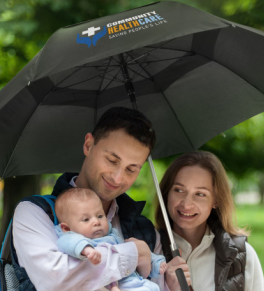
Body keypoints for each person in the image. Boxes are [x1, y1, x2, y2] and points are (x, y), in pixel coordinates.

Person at [12, 107, 188, 291]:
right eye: (112, 160)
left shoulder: (146, 231)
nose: (118, 178)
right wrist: (132, 254)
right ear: (88, 145)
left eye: (131, 169)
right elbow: (56, 279)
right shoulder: (36, 212)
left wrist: (171, 285)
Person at [155, 151, 264, 291]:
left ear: (216, 200)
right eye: (179, 190)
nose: (186, 204)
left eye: (200, 194)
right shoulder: (150, 249)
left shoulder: (241, 255)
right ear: (166, 194)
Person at [54, 187, 168, 291]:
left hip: (132, 282)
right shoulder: (72, 237)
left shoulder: (113, 235)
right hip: (107, 284)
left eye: (99, 216)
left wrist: (157, 262)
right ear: (66, 228)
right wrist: (86, 249)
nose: (96, 222)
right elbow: (67, 242)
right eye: (86, 219)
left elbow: (139, 252)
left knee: (153, 287)